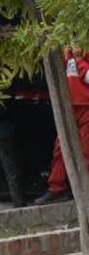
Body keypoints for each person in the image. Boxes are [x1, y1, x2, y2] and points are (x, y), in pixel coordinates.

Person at [33, 49, 89, 205]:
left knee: (85, 151)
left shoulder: (79, 48)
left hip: (86, 106)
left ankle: (81, 190)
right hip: (70, 105)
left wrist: (78, 61)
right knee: (61, 148)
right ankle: (57, 189)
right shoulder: (66, 46)